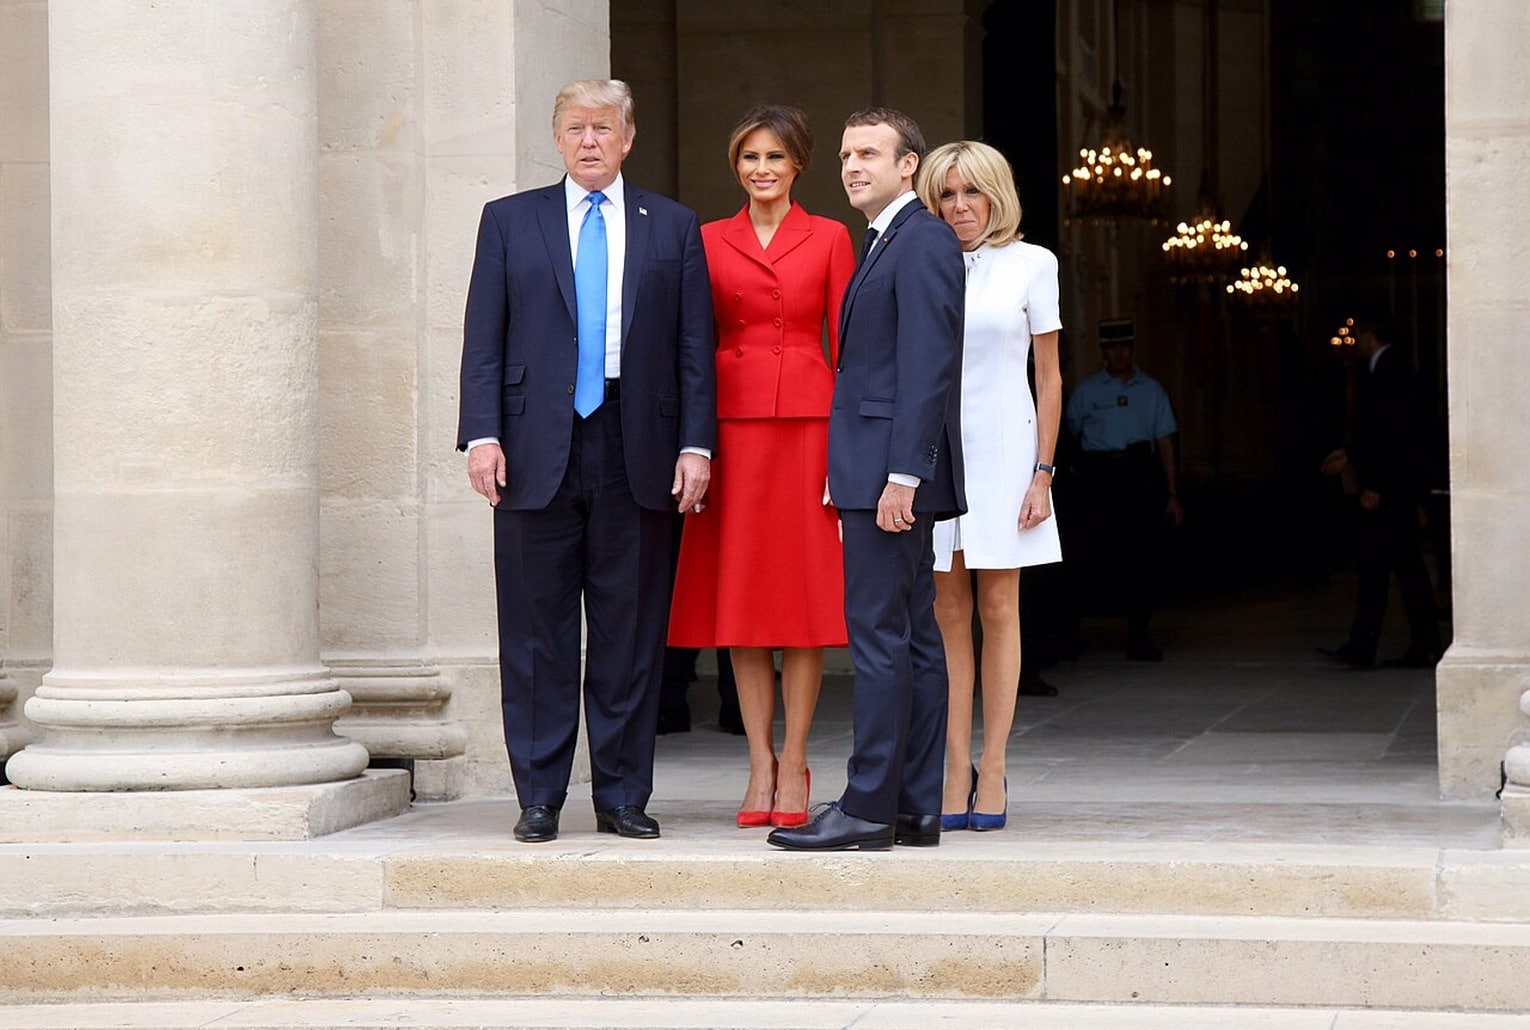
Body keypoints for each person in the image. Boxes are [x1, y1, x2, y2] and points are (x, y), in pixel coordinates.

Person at [456, 79, 716, 844]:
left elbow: (694, 346)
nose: (590, 141)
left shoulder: (673, 226)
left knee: (628, 631)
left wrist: (696, 443)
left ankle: (622, 796)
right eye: (576, 128)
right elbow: (483, 337)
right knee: (535, 632)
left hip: (639, 446)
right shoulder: (510, 220)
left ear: (628, 138)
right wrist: (481, 434)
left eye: (604, 128)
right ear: (557, 139)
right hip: (533, 448)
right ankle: (539, 797)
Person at [767, 107, 965, 852]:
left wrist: (903, 475)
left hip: (892, 477)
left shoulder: (923, 239)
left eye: (870, 154)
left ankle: (867, 807)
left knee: (881, 638)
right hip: (876, 469)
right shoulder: (886, 240)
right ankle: (913, 807)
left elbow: (927, 367)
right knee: (911, 637)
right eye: (847, 155)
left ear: (908, 164)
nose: (852, 166)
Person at [667, 105, 855, 829]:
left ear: (798, 163)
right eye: (750, 157)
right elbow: (691, 345)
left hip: (810, 427)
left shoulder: (831, 236)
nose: (762, 169)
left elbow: (850, 346)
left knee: (802, 607)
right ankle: (758, 764)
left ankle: (797, 761)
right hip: (732, 429)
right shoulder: (707, 239)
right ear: (735, 165)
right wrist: (693, 443)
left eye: (775, 156)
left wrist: (850, 450)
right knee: (743, 605)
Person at [915, 140, 1062, 833]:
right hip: (938, 449)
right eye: (946, 194)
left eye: (971, 191)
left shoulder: (1033, 263)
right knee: (947, 607)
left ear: (996, 195)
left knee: (1000, 604)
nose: (959, 206)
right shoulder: (920, 259)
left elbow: (1049, 377)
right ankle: (953, 765)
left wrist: (1044, 472)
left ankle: (995, 764)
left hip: (1006, 447)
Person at [1319, 315, 1442, 669]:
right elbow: (1378, 432)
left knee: (1386, 568)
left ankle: (1374, 646)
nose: (1354, 341)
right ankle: (1406, 643)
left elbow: (1390, 435)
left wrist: (1374, 484)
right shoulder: (1392, 369)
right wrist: (1350, 454)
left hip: (1390, 489)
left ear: (1370, 335)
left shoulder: (1388, 372)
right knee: (1397, 567)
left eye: (1358, 334)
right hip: (1395, 486)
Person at [1064, 319, 1183, 661]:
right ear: (1103, 351)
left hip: (1139, 475)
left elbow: (1165, 442)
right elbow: (1069, 436)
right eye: (1113, 348)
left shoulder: (1152, 391)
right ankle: (1076, 634)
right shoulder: (1087, 392)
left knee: (1142, 557)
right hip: (1099, 477)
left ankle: (1139, 635)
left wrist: (1172, 493)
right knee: (1095, 554)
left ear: (1132, 349)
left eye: (1125, 347)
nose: (1119, 353)